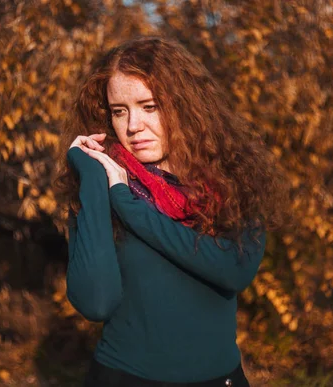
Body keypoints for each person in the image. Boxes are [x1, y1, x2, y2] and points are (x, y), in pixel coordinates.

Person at [55, 36, 285, 387]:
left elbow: (233, 270)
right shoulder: (100, 185)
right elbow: (96, 302)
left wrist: (127, 203)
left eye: (150, 106)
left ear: (184, 105)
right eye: (119, 111)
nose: (133, 126)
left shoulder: (232, 182)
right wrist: (91, 178)